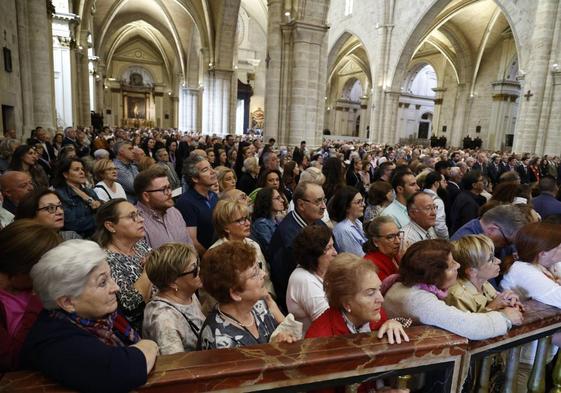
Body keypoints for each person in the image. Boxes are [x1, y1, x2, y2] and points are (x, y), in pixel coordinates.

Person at [20, 240, 158, 392]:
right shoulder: (55, 341)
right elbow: (125, 369)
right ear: (67, 302)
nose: (116, 287)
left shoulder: (103, 315)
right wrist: (149, 345)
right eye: (102, 282)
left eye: (111, 277)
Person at [383, 239, 522, 340]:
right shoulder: (418, 299)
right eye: (451, 265)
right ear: (434, 274)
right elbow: (469, 326)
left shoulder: (409, 285)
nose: (458, 265)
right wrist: (505, 318)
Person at [198, 241, 292, 349]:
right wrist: (272, 349)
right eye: (254, 273)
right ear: (235, 293)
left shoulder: (259, 306)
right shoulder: (220, 340)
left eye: (259, 267)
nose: (263, 274)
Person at [306, 253, 409, 351]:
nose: (381, 299)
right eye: (370, 293)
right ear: (346, 304)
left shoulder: (376, 312)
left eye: (379, 289)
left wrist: (392, 324)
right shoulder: (319, 339)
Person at [0, 220, 62, 371]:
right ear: (25, 270)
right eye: (45, 272)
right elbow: (10, 360)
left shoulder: (24, 287)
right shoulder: (33, 294)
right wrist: (38, 300)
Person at [93, 199, 153, 330]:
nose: (141, 219)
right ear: (110, 226)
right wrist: (150, 268)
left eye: (138, 214)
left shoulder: (140, 245)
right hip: (140, 328)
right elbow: (131, 306)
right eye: (132, 217)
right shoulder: (106, 260)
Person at [269, 182, 328, 312]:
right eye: (318, 202)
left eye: (324, 200)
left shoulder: (317, 222)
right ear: (301, 205)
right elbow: (288, 283)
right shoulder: (288, 239)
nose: (324, 206)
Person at [143, 243, 204, 354]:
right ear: (172, 282)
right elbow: (176, 364)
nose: (199, 270)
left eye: (198, 263)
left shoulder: (187, 293)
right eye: (194, 269)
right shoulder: (163, 318)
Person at [210, 199, 274, 296]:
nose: (248, 223)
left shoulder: (254, 245)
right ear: (226, 227)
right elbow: (213, 295)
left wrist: (270, 299)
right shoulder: (214, 254)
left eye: (247, 218)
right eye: (240, 220)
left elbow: (266, 280)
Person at [446, 235, 522, 313]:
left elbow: (497, 301)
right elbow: (467, 323)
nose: (498, 261)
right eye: (491, 259)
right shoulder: (459, 296)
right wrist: (492, 307)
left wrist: (509, 302)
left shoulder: (483, 282)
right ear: (472, 271)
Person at [286, 225, 337, 333]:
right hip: (315, 344)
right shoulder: (303, 280)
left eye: (333, 246)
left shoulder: (325, 271)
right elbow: (328, 322)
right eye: (329, 248)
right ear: (314, 254)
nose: (335, 252)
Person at [134, 166, 192, 249]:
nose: (170, 193)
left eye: (169, 188)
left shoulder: (174, 212)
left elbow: (189, 245)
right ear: (146, 196)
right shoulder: (135, 222)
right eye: (163, 189)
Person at [176, 155, 218, 255]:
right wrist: (211, 258)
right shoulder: (186, 202)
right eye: (205, 170)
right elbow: (192, 242)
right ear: (195, 178)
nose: (213, 172)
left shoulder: (213, 195)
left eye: (211, 167)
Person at [54, 158, 101, 237]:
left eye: (82, 169)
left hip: (96, 235)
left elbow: (104, 211)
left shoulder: (89, 192)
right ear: (66, 174)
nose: (82, 172)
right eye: (76, 170)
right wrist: (97, 218)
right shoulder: (60, 194)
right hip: (76, 239)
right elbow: (72, 224)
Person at [15, 189, 81, 240]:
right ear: (31, 214)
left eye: (60, 206)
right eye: (51, 208)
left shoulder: (70, 238)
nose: (60, 212)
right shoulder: (23, 245)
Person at [329, 186, 367, 256]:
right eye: (359, 202)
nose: (363, 205)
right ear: (346, 207)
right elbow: (357, 259)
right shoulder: (343, 230)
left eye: (363, 201)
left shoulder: (357, 221)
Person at [363, 216, 402, 281]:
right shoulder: (372, 265)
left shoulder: (396, 254)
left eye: (398, 234)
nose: (398, 241)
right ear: (375, 241)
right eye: (390, 237)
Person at [251, 187, 285, 255]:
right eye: (277, 198)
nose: (282, 200)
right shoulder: (261, 224)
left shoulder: (277, 219)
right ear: (267, 201)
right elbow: (273, 249)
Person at [423, 171, 449, 239]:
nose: (446, 184)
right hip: (435, 238)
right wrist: (446, 237)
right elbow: (439, 225)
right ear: (436, 183)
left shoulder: (420, 195)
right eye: (443, 181)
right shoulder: (437, 201)